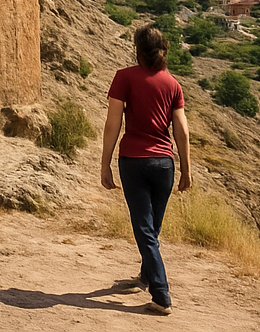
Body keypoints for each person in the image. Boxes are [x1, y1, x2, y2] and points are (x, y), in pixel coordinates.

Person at [99, 24, 191, 316]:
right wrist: (186, 169)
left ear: (137, 50)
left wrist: (105, 163)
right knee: (153, 228)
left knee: (144, 229)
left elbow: (113, 123)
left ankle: (161, 295)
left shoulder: (124, 77)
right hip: (165, 164)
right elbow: (182, 131)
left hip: (134, 161)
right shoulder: (173, 84)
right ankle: (145, 277)